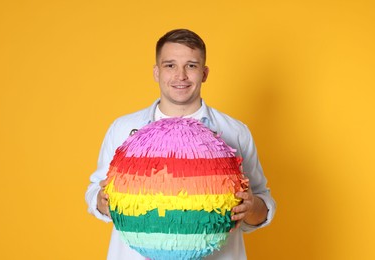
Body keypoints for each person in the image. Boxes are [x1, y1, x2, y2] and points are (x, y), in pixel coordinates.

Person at [85, 29, 276, 260]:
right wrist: (101, 201)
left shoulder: (235, 132)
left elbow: (261, 205)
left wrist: (252, 206)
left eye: (191, 66)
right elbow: (95, 190)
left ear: (204, 73)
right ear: (156, 72)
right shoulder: (123, 129)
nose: (181, 76)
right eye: (170, 65)